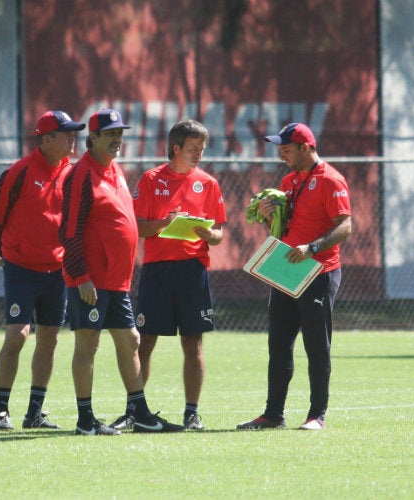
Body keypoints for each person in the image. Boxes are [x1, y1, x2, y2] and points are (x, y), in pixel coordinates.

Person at [59, 108, 185, 435]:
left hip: (116, 280)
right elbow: (69, 232)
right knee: (88, 346)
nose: (117, 139)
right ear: (94, 138)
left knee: (130, 340)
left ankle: (140, 413)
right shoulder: (81, 174)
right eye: (111, 133)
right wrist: (82, 277)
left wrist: (162, 225)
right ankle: (85, 419)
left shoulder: (115, 170)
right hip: (91, 281)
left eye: (120, 133)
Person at [110, 119, 226, 432]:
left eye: (201, 149)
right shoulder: (150, 180)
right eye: (193, 149)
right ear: (176, 148)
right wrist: (165, 223)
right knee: (145, 341)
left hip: (193, 272)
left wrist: (209, 235)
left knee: (194, 343)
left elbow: (218, 233)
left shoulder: (208, 183)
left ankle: (192, 413)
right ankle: (135, 410)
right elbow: (137, 226)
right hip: (158, 271)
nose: (199, 154)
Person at [237, 122, 351, 431]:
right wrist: (270, 217)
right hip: (287, 269)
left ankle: (317, 415)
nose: (282, 155)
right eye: (280, 150)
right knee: (278, 344)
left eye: (287, 150)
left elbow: (345, 225)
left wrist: (312, 247)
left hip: (319, 270)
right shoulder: (289, 180)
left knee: (316, 345)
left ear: (307, 147)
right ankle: (273, 414)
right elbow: (286, 229)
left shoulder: (330, 179)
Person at [0, 110, 85, 431]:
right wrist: (6, 253)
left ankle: (34, 412)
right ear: (46, 139)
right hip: (22, 269)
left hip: (57, 270)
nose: (73, 138)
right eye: (65, 133)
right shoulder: (20, 171)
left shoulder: (74, 172)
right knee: (17, 335)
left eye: (74, 133)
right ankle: (1, 411)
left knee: (50, 338)